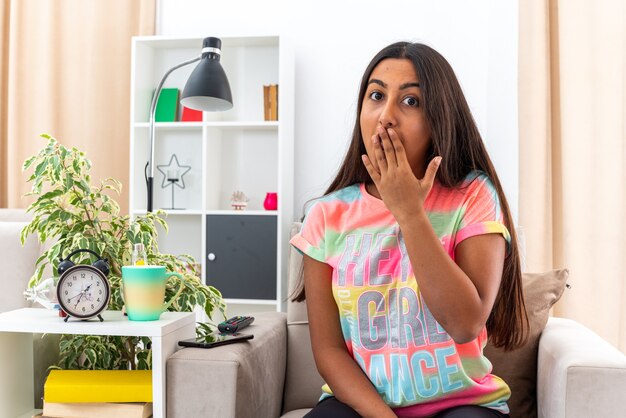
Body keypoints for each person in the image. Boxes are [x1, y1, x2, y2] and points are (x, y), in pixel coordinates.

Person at [289, 41, 529, 418]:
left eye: (410, 101)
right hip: (364, 407)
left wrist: (409, 212)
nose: (386, 116)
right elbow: (329, 352)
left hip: (463, 405)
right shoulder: (325, 214)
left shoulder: (472, 195)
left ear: (439, 117)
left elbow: (466, 324)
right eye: (376, 95)